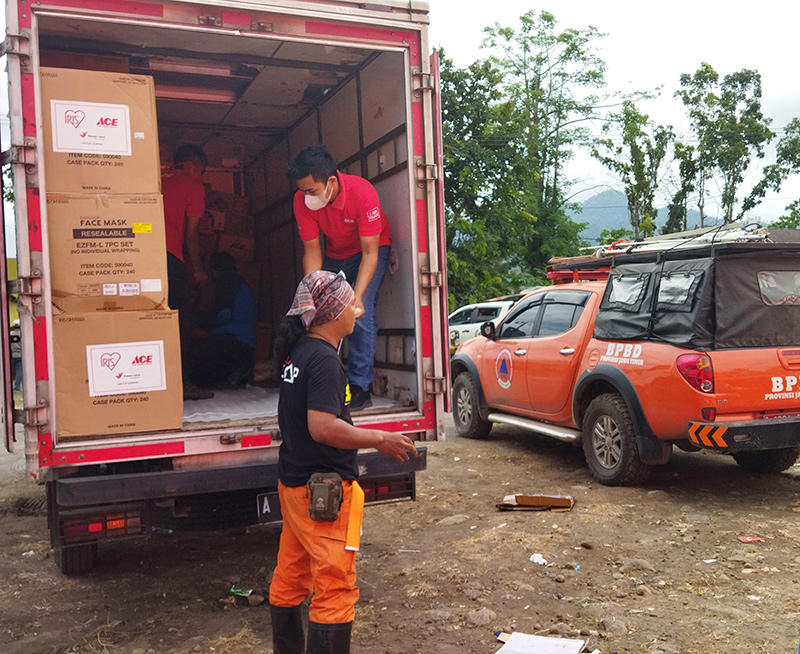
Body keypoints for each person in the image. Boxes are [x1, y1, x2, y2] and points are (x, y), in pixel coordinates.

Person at [268, 270, 416, 654]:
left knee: (291, 576)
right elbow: (322, 427)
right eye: (352, 303)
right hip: (323, 495)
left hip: (295, 485)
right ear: (332, 312)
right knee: (334, 587)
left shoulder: (300, 352)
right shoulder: (323, 360)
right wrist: (379, 439)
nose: (358, 310)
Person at [287, 145, 392, 411]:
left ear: (331, 181)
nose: (306, 196)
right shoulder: (302, 200)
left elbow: (370, 252)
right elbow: (312, 250)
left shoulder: (362, 192)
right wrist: (311, 293)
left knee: (359, 314)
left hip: (370, 250)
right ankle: (321, 383)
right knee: (318, 316)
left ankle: (360, 388)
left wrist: (357, 296)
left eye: (311, 190)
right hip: (335, 255)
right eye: (302, 191)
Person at [161, 144, 213, 400]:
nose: (201, 176)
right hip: (169, 257)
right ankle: (181, 383)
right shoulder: (193, 187)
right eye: (202, 171)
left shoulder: (156, 177)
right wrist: (199, 271)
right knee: (180, 320)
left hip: (139, 258)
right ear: (194, 166)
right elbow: (191, 236)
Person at [188, 252, 257, 388]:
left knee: (193, 355)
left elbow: (224, 315)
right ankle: (236, 371)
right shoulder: (239, 281)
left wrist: (198, 320)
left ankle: (233, 371)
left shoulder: (227, 281)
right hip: (245, 344)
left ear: (214, 271)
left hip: (234, 342)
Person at [10, 319, 21, 392]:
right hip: (20, 354)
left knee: (12, 370)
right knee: (19, 371)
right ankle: (17, 386)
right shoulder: (22, 333)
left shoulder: (10, 334)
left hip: (13, 354)